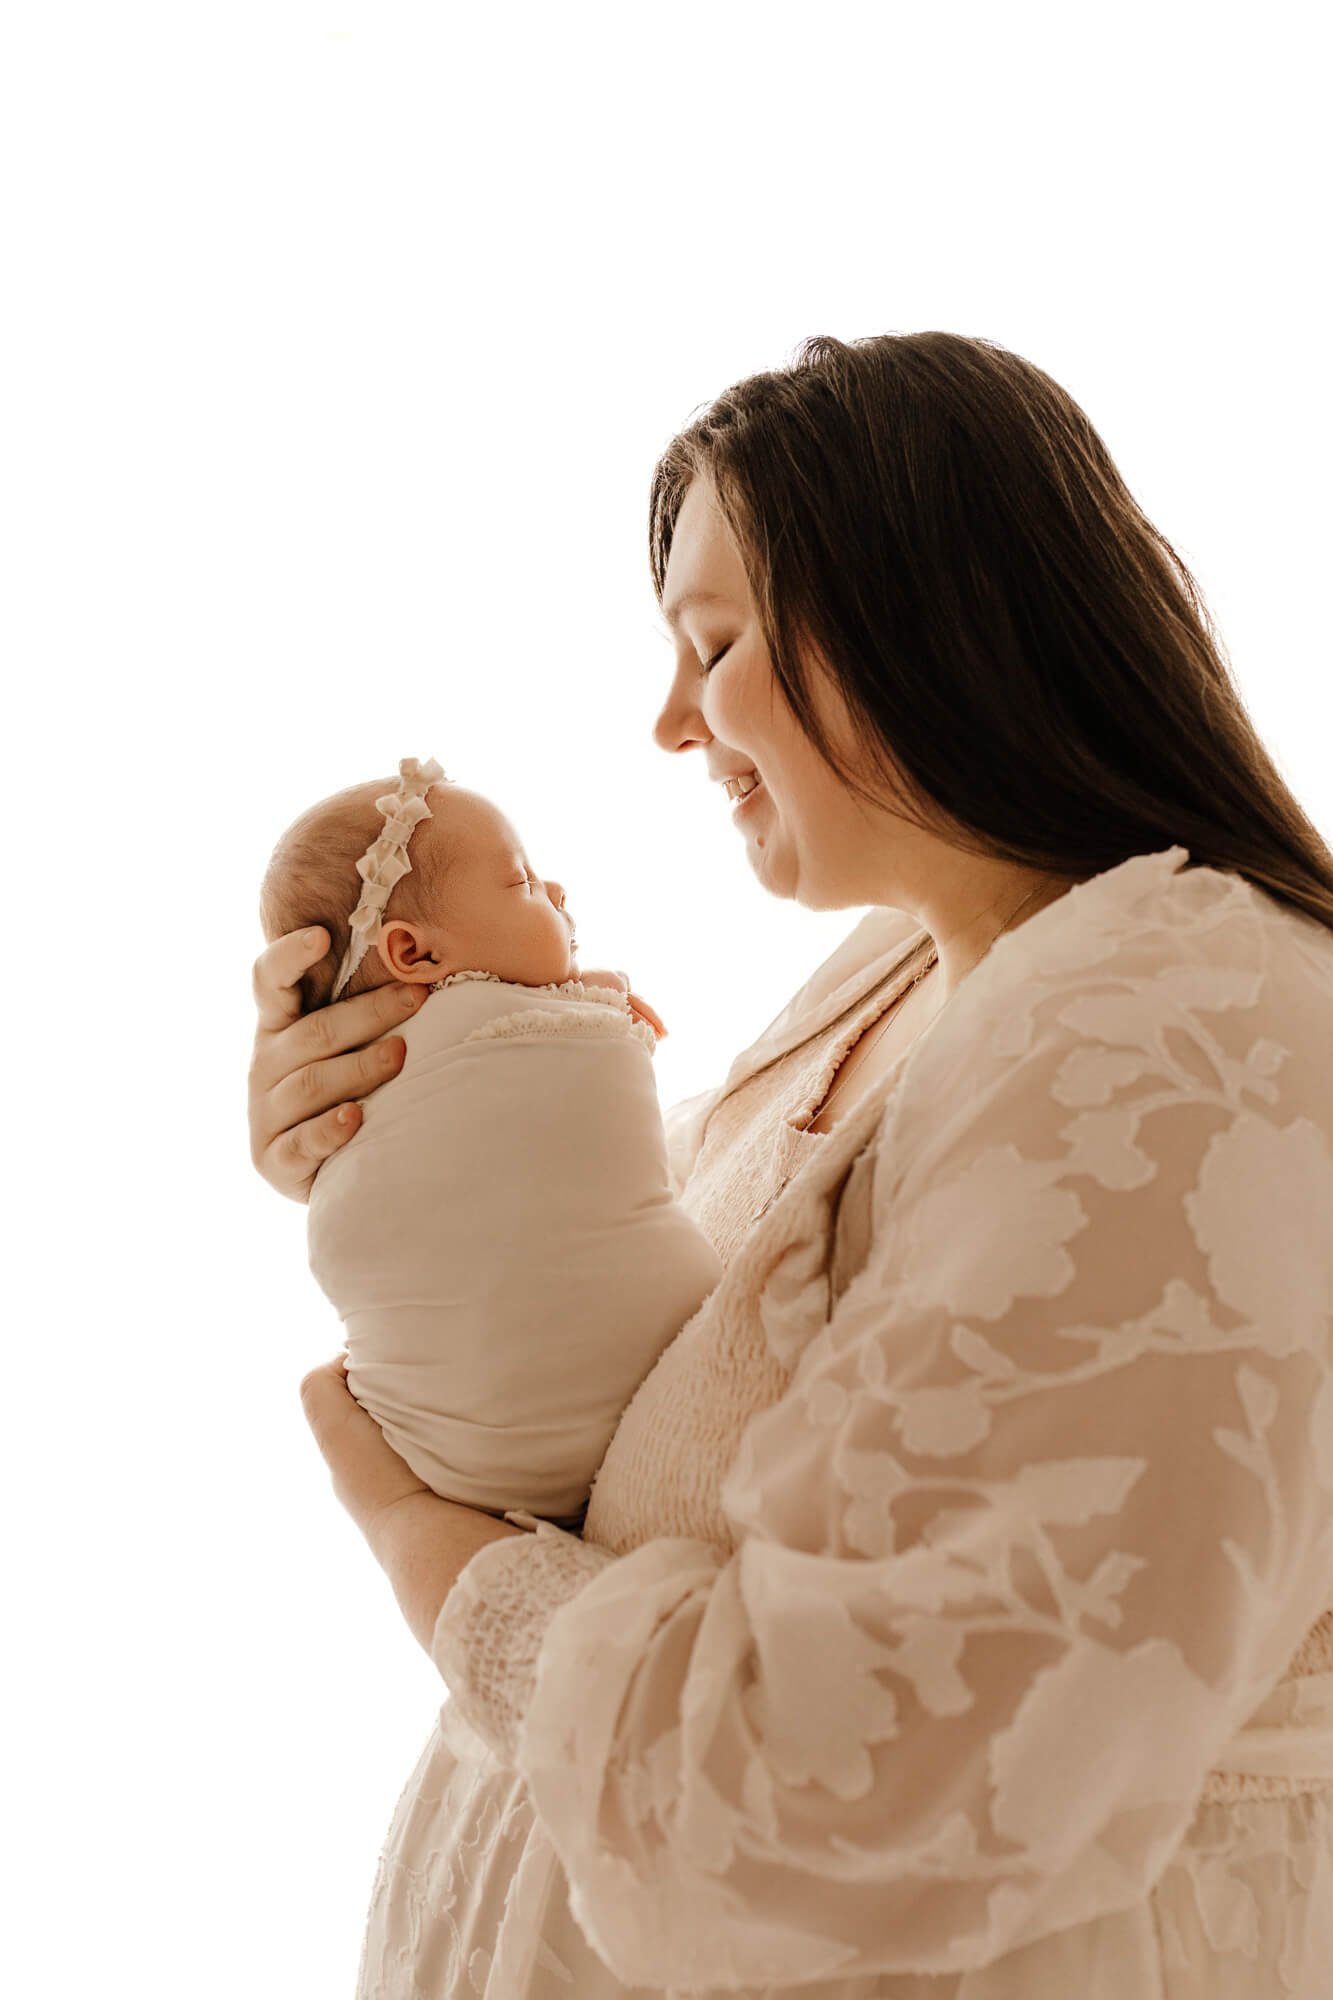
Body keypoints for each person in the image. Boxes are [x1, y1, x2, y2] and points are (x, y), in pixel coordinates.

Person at [248, 331, 1333, 1997]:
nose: (670, 723)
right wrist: (393, 1147)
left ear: (922, 613)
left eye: (716, 641)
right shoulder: (901, 982)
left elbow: (849, 1795)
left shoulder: (1171, 1030)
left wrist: (415, 1540)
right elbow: (631, 1423)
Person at [256, 756, 722, 1528]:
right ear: (416, 954)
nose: (559, 892)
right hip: (655, 1379)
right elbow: (594, 1031)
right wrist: (606, 996)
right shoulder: (525, 1032)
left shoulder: (350, 1079)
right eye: (525, 884)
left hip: (454, 1467)